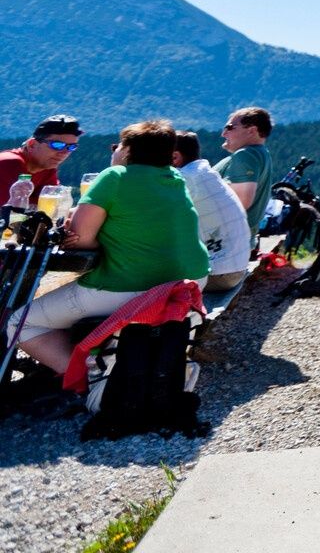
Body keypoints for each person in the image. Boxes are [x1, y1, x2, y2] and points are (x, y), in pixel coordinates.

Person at [6, 121, 209, 373]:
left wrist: (89, 235)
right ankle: (102, 365)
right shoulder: (175, 178)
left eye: (117, 146)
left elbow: (79, 239)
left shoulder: (115, 176)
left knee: (21, 322)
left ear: (127, 151)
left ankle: (92, 379)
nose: (114, 151)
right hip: (190, 280)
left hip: (133, 285)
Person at [173, 127, 253, 291]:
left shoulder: (186, 179)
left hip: (219, 273)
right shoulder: (202, 173)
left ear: (175, 157)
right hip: (234, 266)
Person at [214, 106, 274, 237]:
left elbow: (240, 201)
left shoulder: (246, 154)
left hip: (225, 237)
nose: (223, 133)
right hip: (240, 235)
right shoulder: (261, 153)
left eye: (230, 127)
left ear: (251, 130)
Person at [1, 115, 83, 203]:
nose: (64, 152)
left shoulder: (47, 168)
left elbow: (50, 206)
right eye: (57, 145)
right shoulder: (8, 163)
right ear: (32, 145)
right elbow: (10, 209)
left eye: (71, 147)